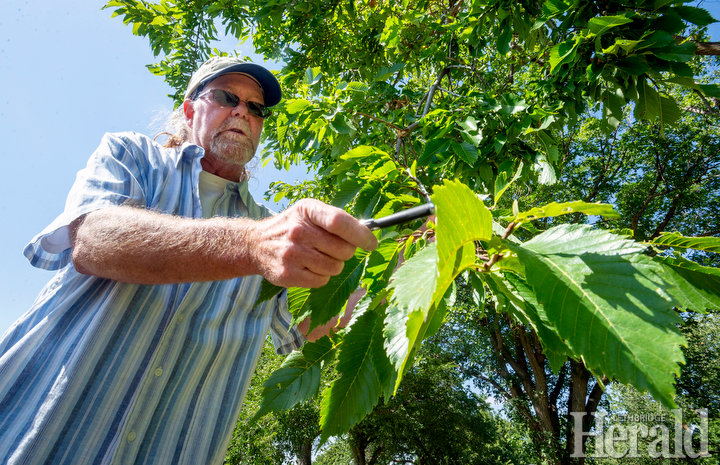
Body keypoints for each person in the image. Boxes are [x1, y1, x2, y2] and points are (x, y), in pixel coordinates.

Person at [0, 56, 377, 465]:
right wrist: (250, 245)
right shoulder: (134, 155)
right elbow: (93, 241)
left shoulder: (272, 233)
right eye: (227, 96)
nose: (242, 112)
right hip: (31, 437)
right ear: (189, 107)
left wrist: (393, 265)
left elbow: (307, 328)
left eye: (256, 108)